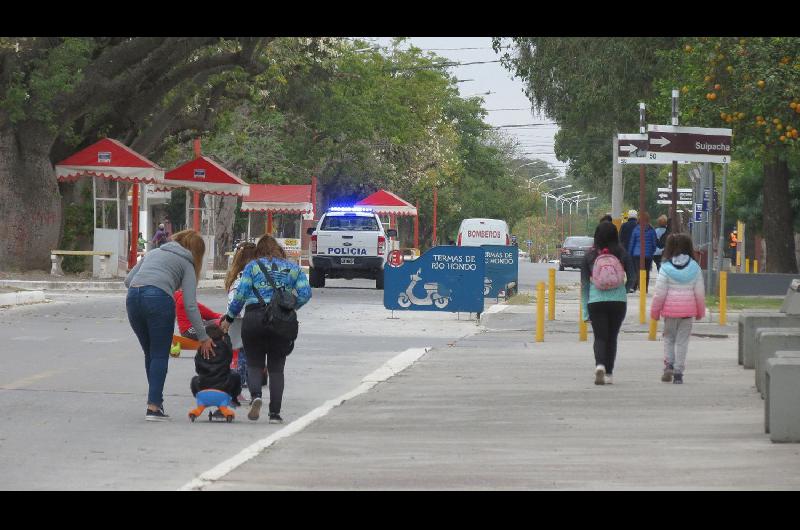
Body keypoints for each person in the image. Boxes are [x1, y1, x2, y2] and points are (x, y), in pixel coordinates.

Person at [220, 234, 312, 424]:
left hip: (254, 317)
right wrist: (289, 308)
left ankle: (256, 397)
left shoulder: (252, 267)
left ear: (259, 252)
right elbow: (305, 293)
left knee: (254, 364)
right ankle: (275, 414)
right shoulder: (293, 269)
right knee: (277, 368)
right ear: (279, 250)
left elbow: (241, 295)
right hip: (281, 322)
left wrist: (228, 319)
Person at [125, 229, 214, 421]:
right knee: (159, 354)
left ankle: (155, 401)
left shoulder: (154, 252)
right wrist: (203, 337)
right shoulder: (187, 263)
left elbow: (128, 281)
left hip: (133, 298)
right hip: (159, 299)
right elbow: (190, 305)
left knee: (150, 353)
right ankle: (154, 407)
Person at [581, 221, 636, 385]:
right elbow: (632, 278)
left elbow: (584, 285)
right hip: (618, 302)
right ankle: (609, 373)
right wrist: (623, 290)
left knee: (600, 337)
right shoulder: (622, 253)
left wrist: (585, 311)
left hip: (596, 301)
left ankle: (599, 366)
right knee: (612, 337)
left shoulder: (589, 256)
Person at [650, 233, 706, 384]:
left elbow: (659, 294)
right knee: (682, 342)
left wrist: (655, 312)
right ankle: (679, 373)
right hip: (687, 312)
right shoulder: (695, 268)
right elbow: (699, 293)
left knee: (668, 339)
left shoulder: (666, 268)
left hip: (670, 312)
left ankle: (668, 365)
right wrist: (700, 311)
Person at [224, 241, 258, 394]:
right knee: (250, 353)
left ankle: (236, 384)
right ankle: (253, 387)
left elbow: (234, 298)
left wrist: (228, 318)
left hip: (236, 317)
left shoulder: (235, 275)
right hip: (255, 314)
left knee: (238, 351)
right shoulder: (258, 271)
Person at [190, 324, 242, 406]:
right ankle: (234, 398)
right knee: (236, 376)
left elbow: (198, 369)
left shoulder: (201, 350)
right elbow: (229, 350)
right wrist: (226, 335)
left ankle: (201, 398)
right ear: (221, 337)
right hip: (224, 387)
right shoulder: (225, 347)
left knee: (194, 380)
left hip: (204, 386)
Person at [628, 211, 658, 293]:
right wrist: (652, 251)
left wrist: (630, 253)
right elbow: (654, 243)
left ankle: (641, 287)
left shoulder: (636, 229)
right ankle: (645, 289)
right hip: (648, 255)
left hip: (637, 254)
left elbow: (632, 242)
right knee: (647, 271)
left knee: (638, 271)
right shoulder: (651, 230)